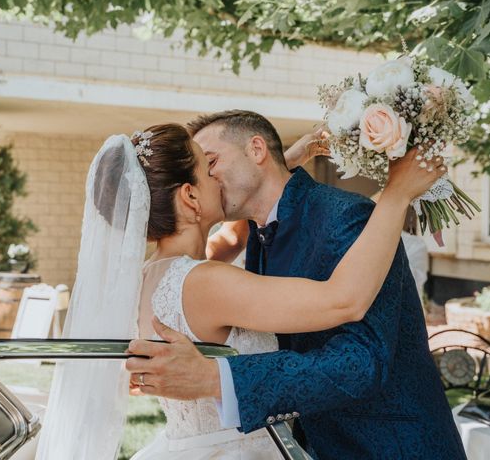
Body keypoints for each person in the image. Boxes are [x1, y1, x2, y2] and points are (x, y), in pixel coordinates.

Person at [126, 111, 467, 459]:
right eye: (205, 168)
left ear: (257, 150)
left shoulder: (346, 217)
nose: (212, 175)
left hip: (389, 446)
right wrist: (395, 194)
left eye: (213, 161)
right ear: (189, 196)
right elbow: (340, 299)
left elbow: (361, 361)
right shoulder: (213, 269)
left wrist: (281, 163)